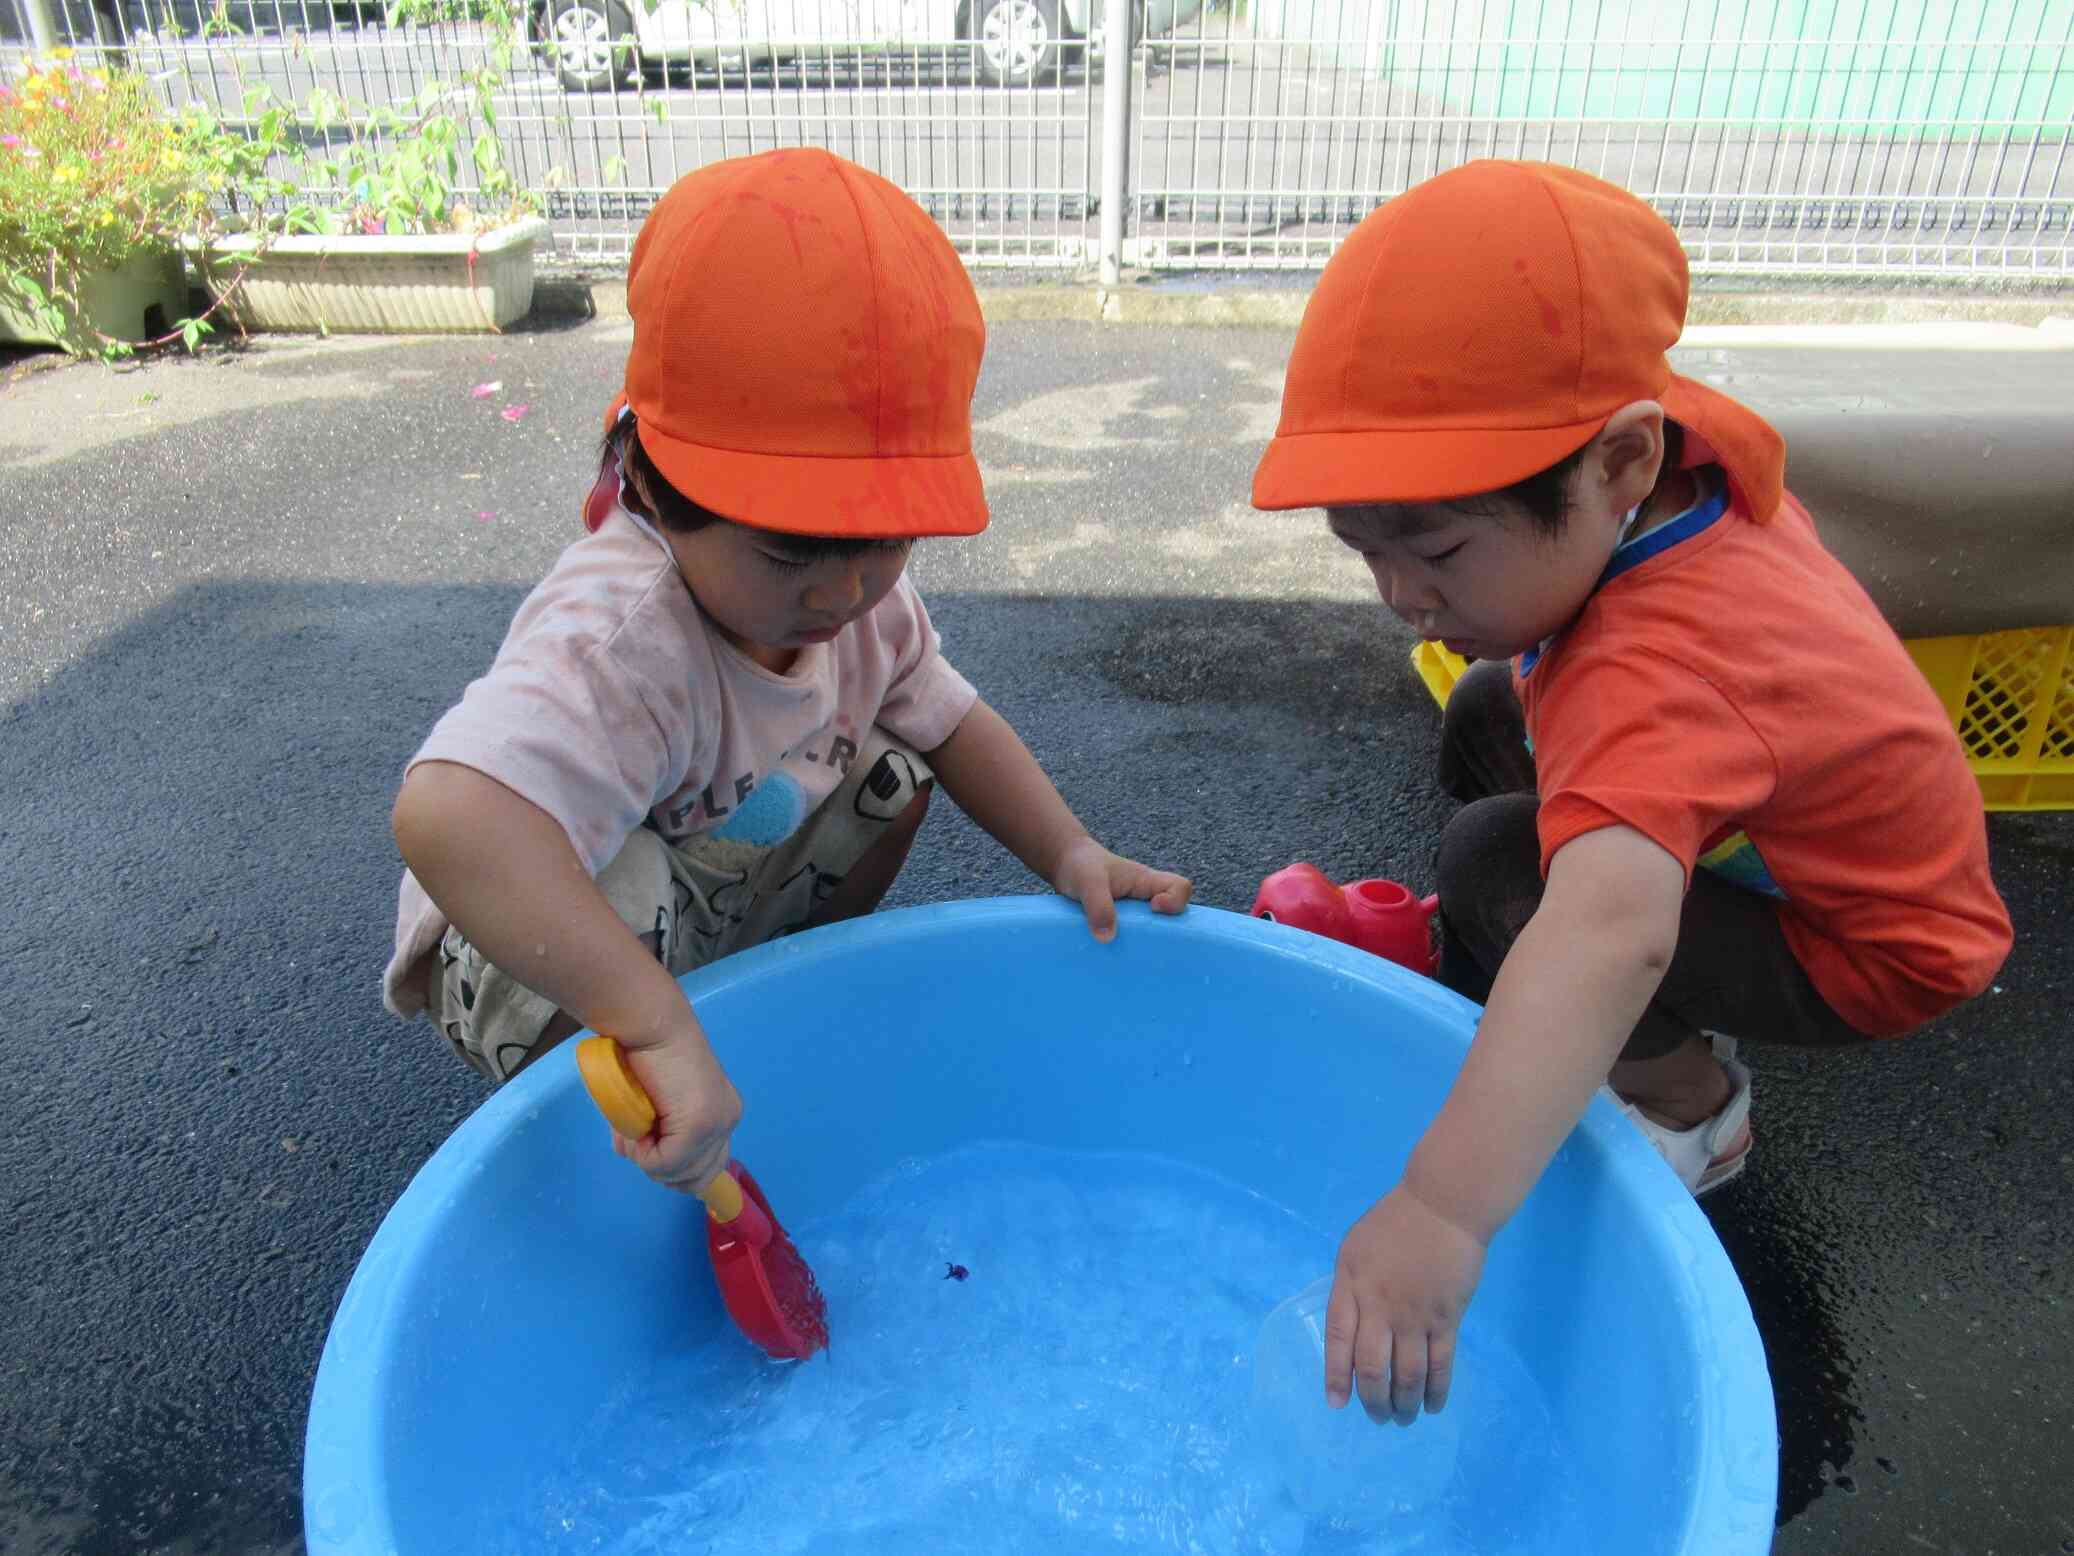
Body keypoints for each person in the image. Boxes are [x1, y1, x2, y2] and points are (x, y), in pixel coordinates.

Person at [1249, 160, 2011, 1430]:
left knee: (1511, 870)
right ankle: (1519, 976)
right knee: (1494, 704)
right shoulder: (1671, 455)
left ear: (1618, 460)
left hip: (1869, 945)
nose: (1396, 592)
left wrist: (1440, 1205)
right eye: (1364, 548)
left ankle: (1686, 1104)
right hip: (1773, 831)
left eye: (1434, 551)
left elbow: (1613, 927)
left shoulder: (1658, 668)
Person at [384, 147, 1191, 1200]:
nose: (840, 594)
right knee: (617, 888)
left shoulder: (851, 592)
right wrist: (653, 1018)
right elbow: (446, 818)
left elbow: (951, 718)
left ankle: (769, 1012)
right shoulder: (621, 637)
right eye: (787, 555)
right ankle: (632, 1118)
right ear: (651, 486)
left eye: (885, 542)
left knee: (893, 767)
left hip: (706, 872)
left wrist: (1071, 851)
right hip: (524, 937)